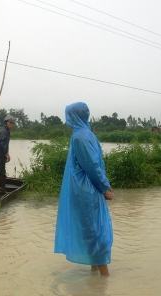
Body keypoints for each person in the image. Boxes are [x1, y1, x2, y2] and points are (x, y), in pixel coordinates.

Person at [54, 102, 114, 276]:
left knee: (92, 231)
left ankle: (104, 276)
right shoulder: (85, 134)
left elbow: (92, 166)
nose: (67, 120)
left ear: (74, 116)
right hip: (88, 189)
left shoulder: (80, 136)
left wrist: (104, 187)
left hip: (86, 190)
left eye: (68, 115)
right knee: (91, 229)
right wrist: (104, 185)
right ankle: (95, 275)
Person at [0, 115, 15, 192]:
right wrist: (6, 154)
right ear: (6, 122)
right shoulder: (4, 131)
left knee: (0, 171)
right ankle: (1, 188)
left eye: (13, 123)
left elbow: (5, 144)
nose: (12, 124)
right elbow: (3, 144)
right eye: (10, 122)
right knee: (2, 172)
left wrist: (6, 153)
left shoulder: (5, 130)